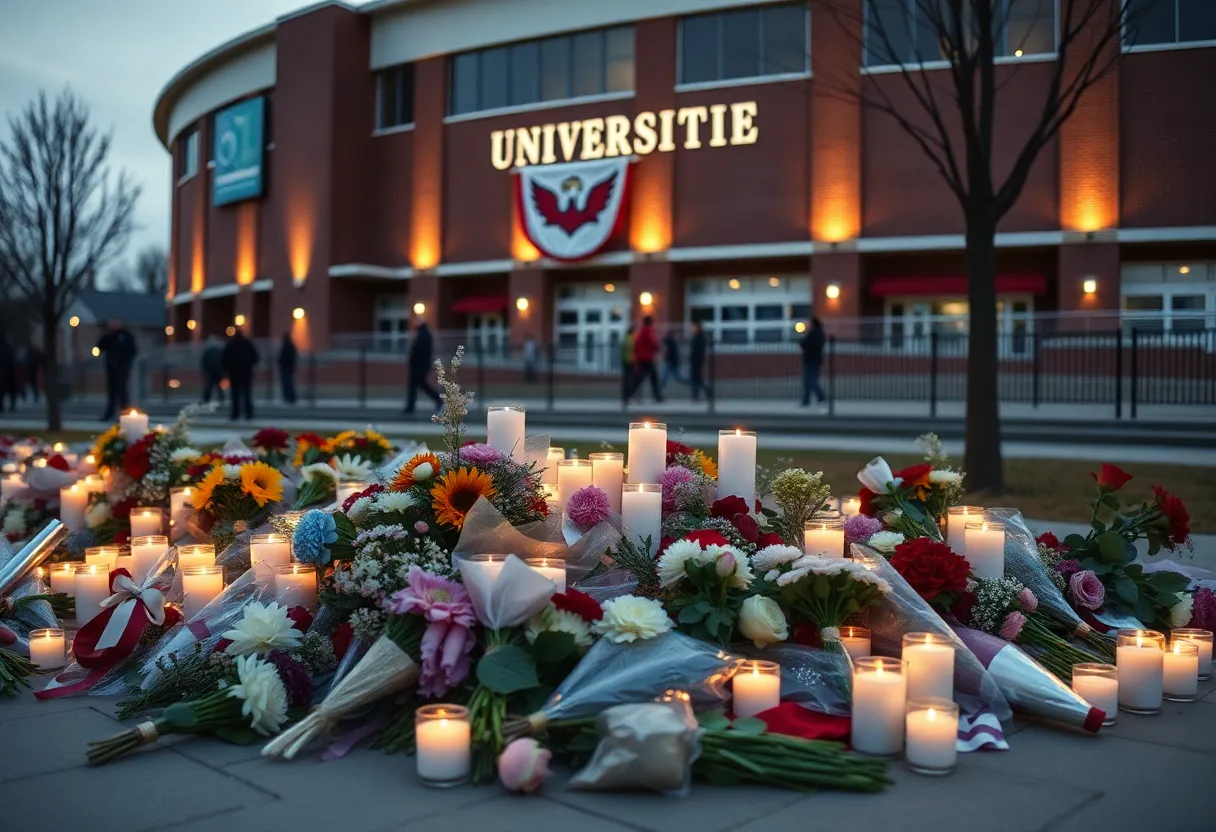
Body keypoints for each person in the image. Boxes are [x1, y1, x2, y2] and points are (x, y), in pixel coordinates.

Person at [96, 319, 137, 421]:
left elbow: (132, 350)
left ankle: (124, 412)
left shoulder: (125, 336)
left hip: (122, 367)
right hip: (111, 367)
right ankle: (110, 413)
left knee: (122, 390)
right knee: (112, 391)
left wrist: (125, 362)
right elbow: (100, 346)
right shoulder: (108, 336)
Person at [221, 329, 259, 420]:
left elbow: (224, 359)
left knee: (235, 395)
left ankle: (235, 413)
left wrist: (226, 370)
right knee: (247, 394)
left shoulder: (231, 344)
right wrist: (249, 365)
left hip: (234, 373)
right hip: (246, 372)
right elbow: (255, 357)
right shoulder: (247, 344)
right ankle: (248, 413)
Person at [405, 320, 441, 414]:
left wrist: (412, 359)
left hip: (418, 366)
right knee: (421, 385)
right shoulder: (426, 335)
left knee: (417, 386)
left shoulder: (422, 336)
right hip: (422, 366)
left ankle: (411, 407)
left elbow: (418, 351)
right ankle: (437, 400)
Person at [627, 315, 663, 404]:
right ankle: (658, 397)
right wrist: (658, 348)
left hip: (642, 358)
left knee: (639, 378)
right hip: (647, 358)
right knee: (652, 378)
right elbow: (653, 342)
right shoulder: (648, 331)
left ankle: (629, 395)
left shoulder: (640, 332)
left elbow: (637, 345)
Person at [800, 317, 828, 411]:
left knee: (811, 381)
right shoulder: (817, 334)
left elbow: (807, 345)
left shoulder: (815, 334)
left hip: (812, 360)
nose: (808, 326)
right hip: (813, 360)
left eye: (809, 324)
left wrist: (804, 341)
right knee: (808, 381)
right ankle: (806, 400)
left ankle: (821, 397)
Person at [689, 321, 712, 403]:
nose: (691, 329)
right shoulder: (696, 337)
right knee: (696, 379)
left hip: (697, 361)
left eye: (693, 328)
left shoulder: (699, 338)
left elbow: (697, 351)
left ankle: (698, 394)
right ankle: (696, 395)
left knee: (697, 379)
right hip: (695, 361)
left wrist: (695, 359)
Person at [201, 336, 225, 404]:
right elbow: (223, 361)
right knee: (218, 386)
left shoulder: (208, 351)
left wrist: (205, 370)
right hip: (218, 371)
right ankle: (221, 397)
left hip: (210, 371)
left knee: (209, 386)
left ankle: (206, 398)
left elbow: (204, 361)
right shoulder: (219, 351)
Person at [278, 333, 298, 404]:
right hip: (287, 368)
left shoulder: (287, 347)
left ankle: (290, 398)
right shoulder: (290, 347)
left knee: (287, 383)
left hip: (286, 368)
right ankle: (290, 398)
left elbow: (285, 357)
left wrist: (281, 361)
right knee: (288, 383)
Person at [620, 325, 635, 405]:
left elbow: (622, 350)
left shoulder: (625, 338)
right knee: (630, 380)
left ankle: (625, 397)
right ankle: (629, 397)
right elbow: (634, 349)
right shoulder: (632, 338)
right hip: (631, 361)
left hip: (625, 361)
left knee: (625, 380)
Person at [0, 333, 15, 412]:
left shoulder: (2, 349)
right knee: (11, 391)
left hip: (2, 373)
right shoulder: (9, 348)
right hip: (10, 372)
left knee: (1, 392)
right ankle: (12, 405)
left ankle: (1, 406)